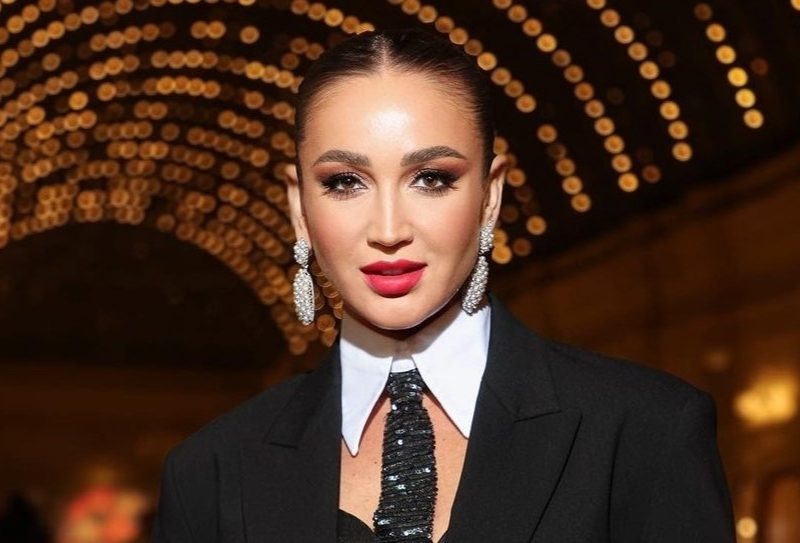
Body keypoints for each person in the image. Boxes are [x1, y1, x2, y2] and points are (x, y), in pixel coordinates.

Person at [152, 27, 736, 542]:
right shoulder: (210, 472)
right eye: (345, 182)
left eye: (431, 178)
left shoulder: (645, 431)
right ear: (299, 205)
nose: (388, 230)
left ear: (491, 195)